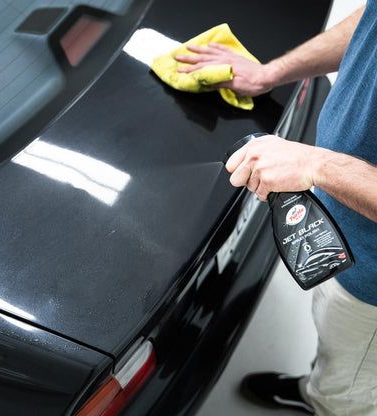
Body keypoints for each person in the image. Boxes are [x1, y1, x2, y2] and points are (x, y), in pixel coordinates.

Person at [176, 2, 377, 416]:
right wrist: (272, 72)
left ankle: (323, 400)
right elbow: (369, 24)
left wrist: (316, 165)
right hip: (340, 225)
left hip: (371, 284)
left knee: (347, 385)